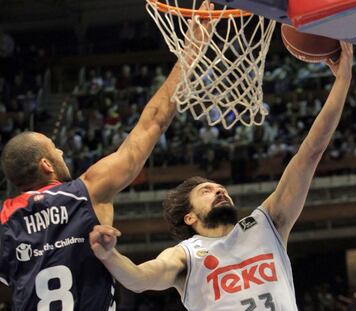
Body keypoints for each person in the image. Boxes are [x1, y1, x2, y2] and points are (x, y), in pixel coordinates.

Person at [90, 43, 353, 310]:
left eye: (220, 188)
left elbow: (310, 153)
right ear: (189, 217)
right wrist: (109, 255)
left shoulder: (267, 222)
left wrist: (342, 80)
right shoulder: (186, 256)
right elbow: (139, 278)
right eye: (206, 191)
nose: (219, 191)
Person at [0, 2, 214, 308]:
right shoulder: (86, 189)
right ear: (46, 164)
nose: (61, 151)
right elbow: (153, 122)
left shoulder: (5, 222)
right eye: (54, 148)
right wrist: (191, 52)